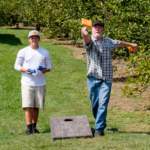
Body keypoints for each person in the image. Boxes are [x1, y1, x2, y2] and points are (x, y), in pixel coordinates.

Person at [81, 20, 137, 136]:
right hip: (93, 78)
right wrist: (84, 34)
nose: (97, 29)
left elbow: (119, 43)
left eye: (100, 27)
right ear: (92, 29)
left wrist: (131, 45)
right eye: (95, 27)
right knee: (95, 104)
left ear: (103, 29)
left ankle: (99, 129)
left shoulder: (108, 41)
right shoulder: (90, 41)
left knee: (103, 103)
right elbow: (86, 39)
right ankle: (100, 123)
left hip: (106, 78)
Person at [14, 30, 52, 135]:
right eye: (31, 37)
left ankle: (34, 127)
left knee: (36, 106)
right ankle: (28, 128)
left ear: (39, 39)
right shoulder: (23, 51)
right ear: (29, 39)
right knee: (27, 105)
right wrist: (26, 70)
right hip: (27, 82)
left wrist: (43, 70)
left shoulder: (45, 52)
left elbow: (49, 67)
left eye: (35, 37)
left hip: (40, 83)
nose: (33, 39)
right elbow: (16, 66)